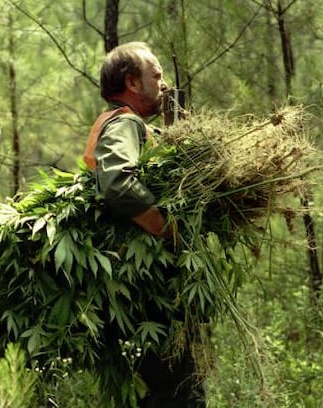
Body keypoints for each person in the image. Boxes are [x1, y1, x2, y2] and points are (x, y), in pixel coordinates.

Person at [83, 41, 201, 408]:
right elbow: (118, 183)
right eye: (157, 75)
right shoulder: (125, 123)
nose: (164, 84)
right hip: (146, 292)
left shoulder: (131, 126)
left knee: (170, 390)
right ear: (133, 84)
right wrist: (167, 228)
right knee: (178, 395)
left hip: (137, 287)